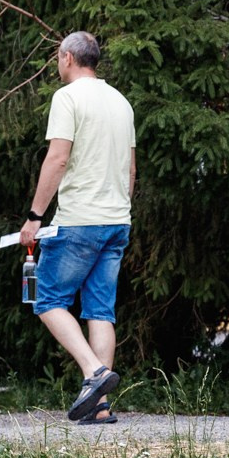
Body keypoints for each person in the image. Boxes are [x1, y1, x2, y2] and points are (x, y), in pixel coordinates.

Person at [18, 31, 137, 424]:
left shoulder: (67, 98)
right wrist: (120, 208)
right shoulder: (121, 102)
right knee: (100, 309)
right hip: (117, 220)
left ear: (68, 58)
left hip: (79, 222)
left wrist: (35, 217)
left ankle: (94, 372)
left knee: (48, 300)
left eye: (57, 57)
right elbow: (131, 169)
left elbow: (57, 159)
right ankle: (100, 407)